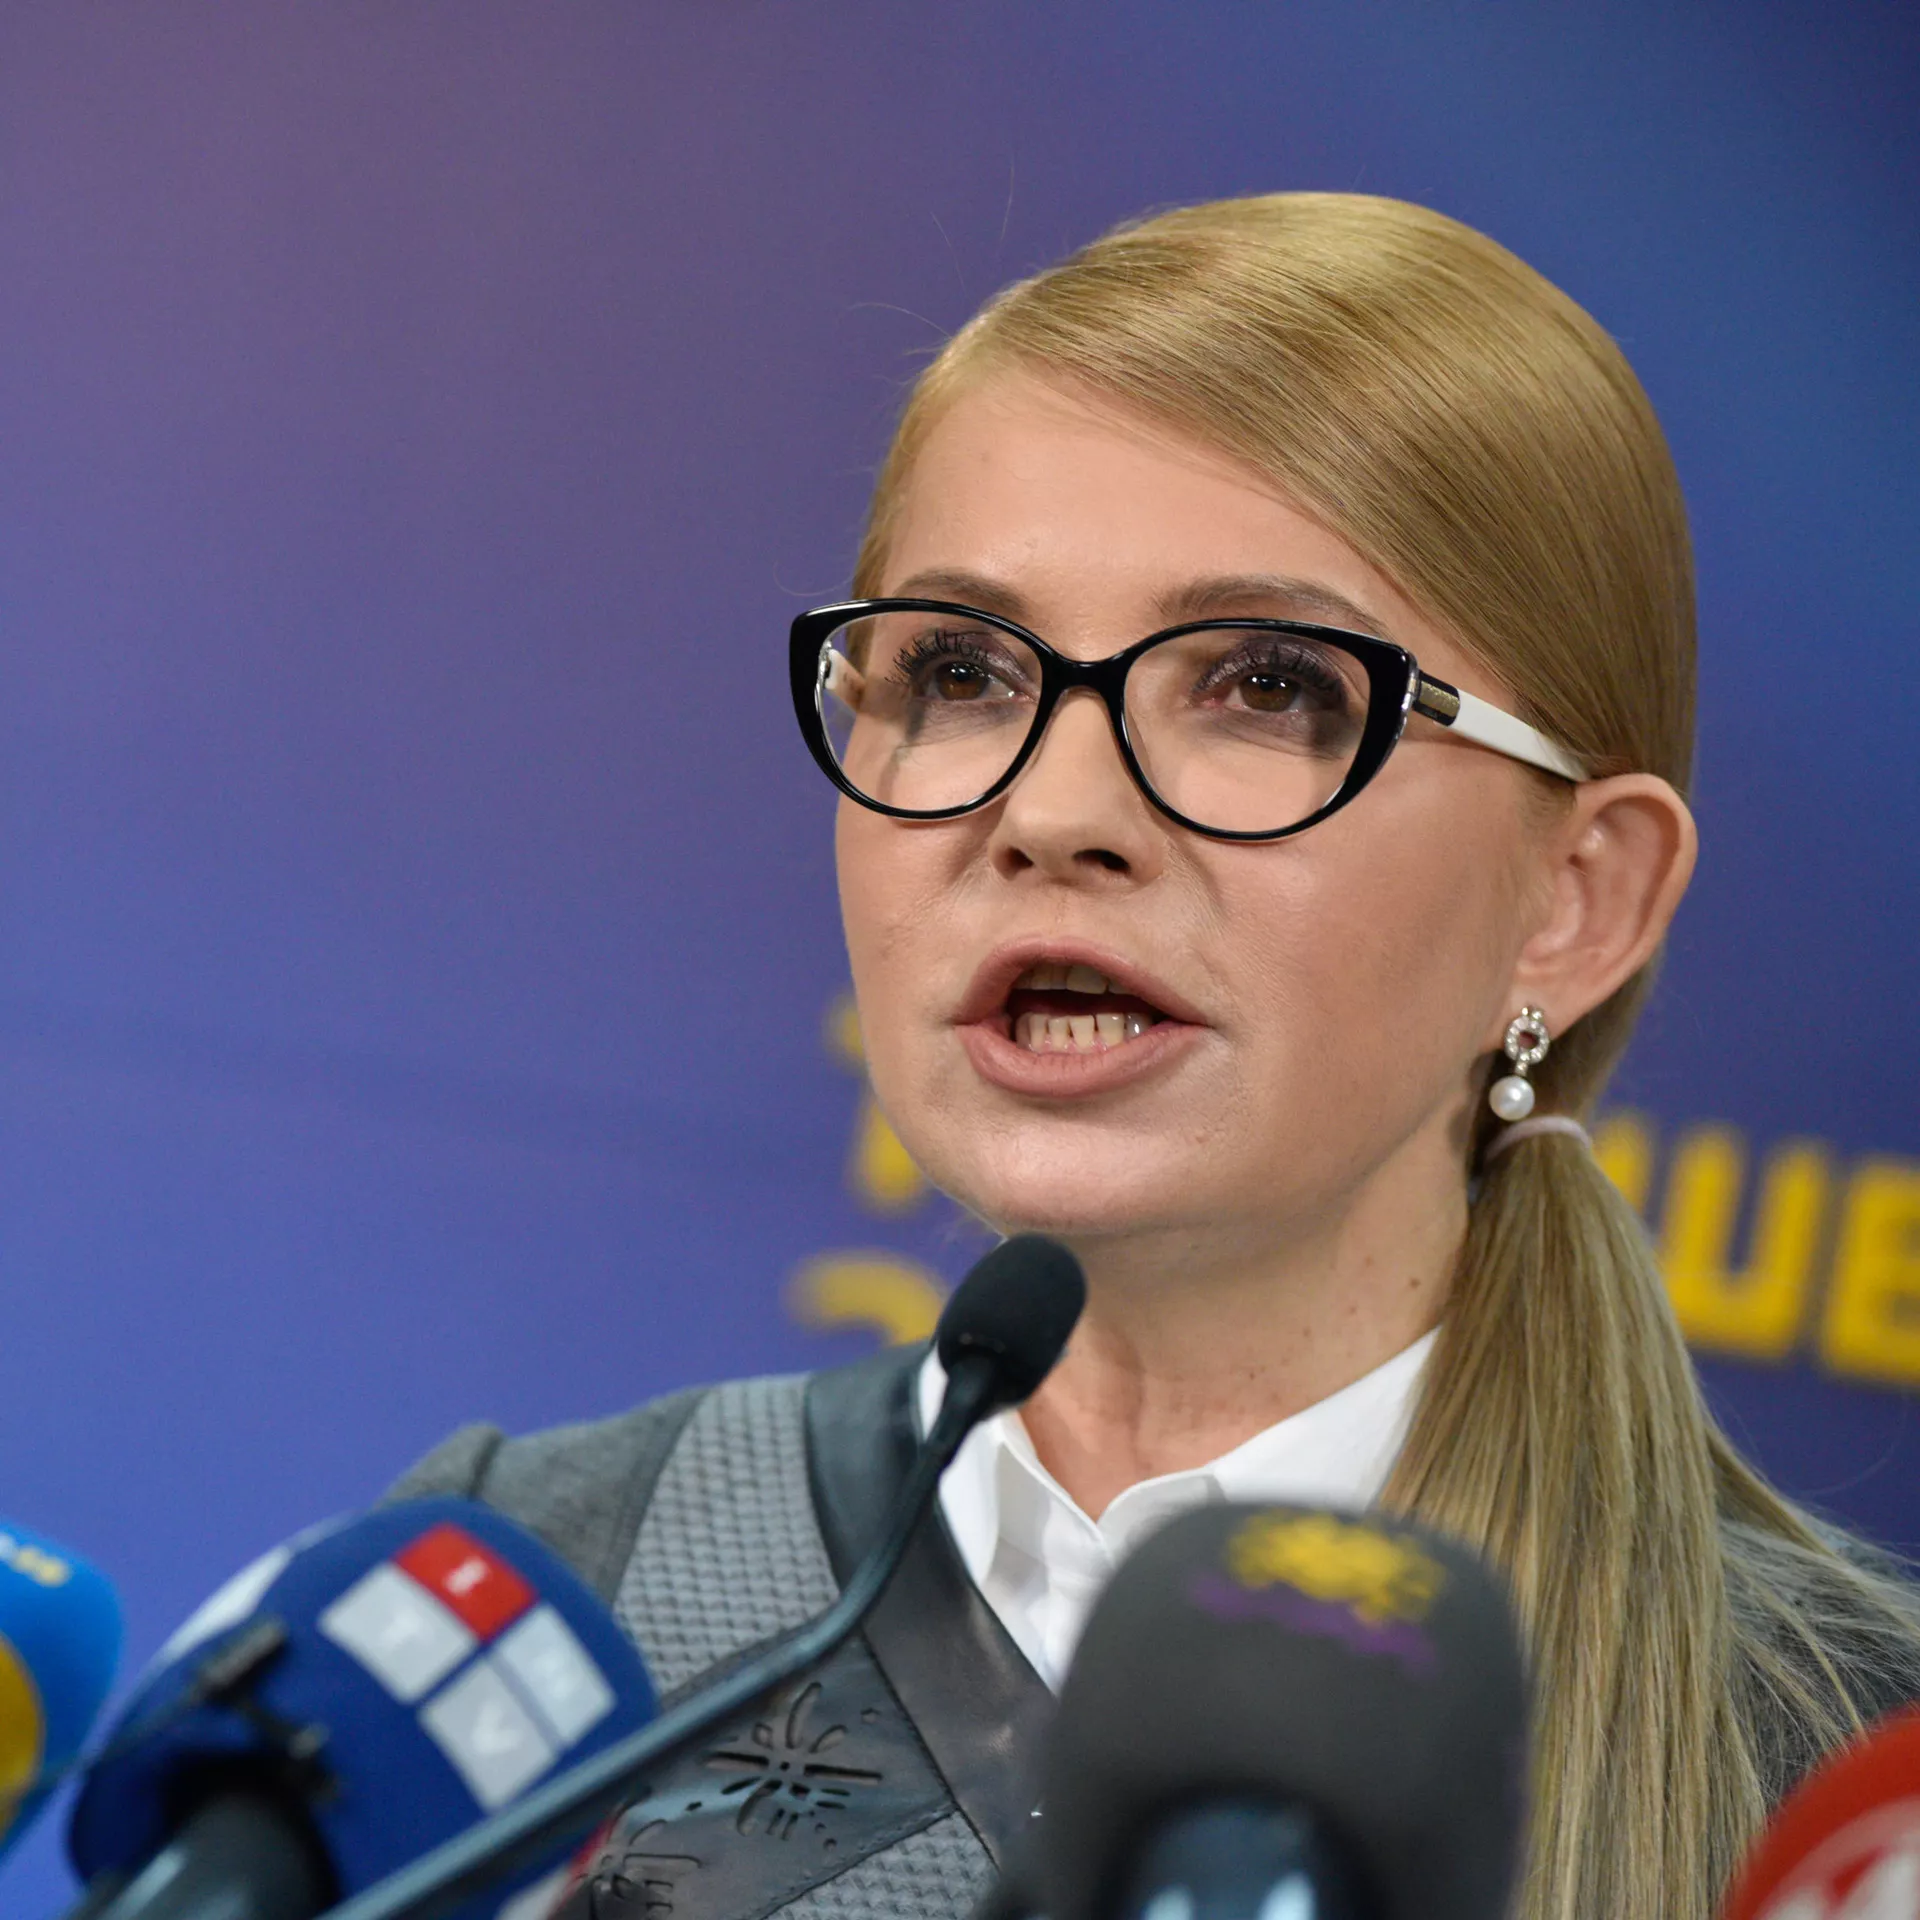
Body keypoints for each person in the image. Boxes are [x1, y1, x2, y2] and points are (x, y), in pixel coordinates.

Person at [394, 193, 1920, 1920]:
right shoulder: (508, 1606)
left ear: (1576, 901)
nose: (1054, 812)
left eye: (1269, 687)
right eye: (961, 670)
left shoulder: (1854, 1796)